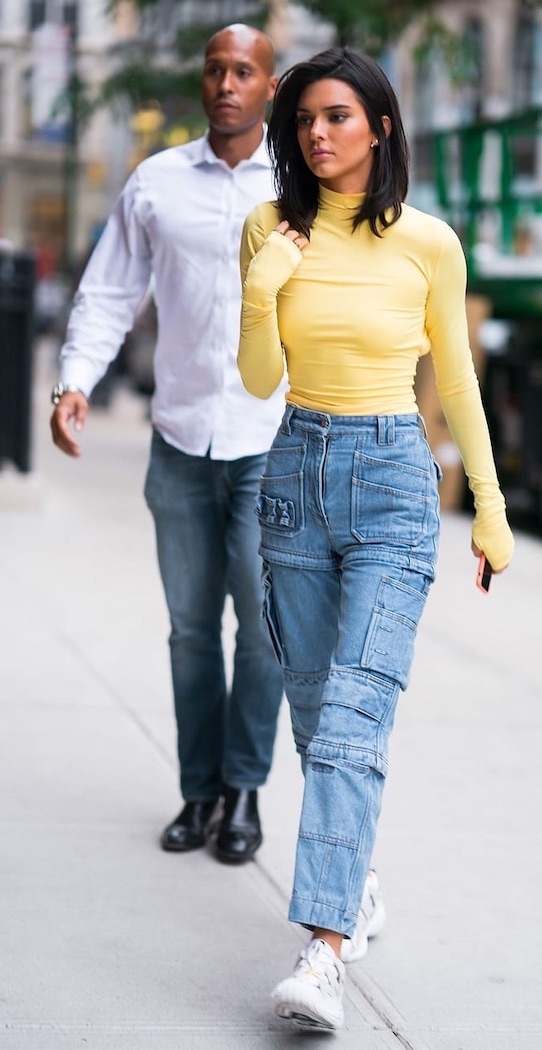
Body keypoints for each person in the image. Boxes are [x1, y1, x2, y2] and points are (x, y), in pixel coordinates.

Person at [237, 47, 514, 1030]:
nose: (318, 134)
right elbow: (262, 379)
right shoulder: (270, 229)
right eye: (306, 119)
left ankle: (322, 952)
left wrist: (486, 503)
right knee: (316, 717)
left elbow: (460, 383)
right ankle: (355, 884)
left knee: (354, 717)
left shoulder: (429, 243)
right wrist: (262, 288)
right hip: (294, 474)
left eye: (339, 116)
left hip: (395, 479)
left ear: (381, 127)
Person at [49, 24, 286, 865]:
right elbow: (111, 291)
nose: (227, 83)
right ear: (204, 82)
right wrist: (75, 380)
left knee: (263, 632)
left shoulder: (302, 182)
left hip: (272, 442)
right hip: (182, 438)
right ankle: (199, 791)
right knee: (191, 629)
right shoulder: (156, 181)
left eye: (244, 71)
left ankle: (245, 785)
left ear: (269, 84)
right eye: (216, 69)